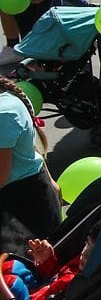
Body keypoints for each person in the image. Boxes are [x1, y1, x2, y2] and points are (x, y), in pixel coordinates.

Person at [0, 76, 59, 255]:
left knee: (29, 267)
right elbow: (33, 150)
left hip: (22, 202)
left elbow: (1, 175)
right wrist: (52, 181)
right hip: (33, 190)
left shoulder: (3, 114)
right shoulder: (9, 98)